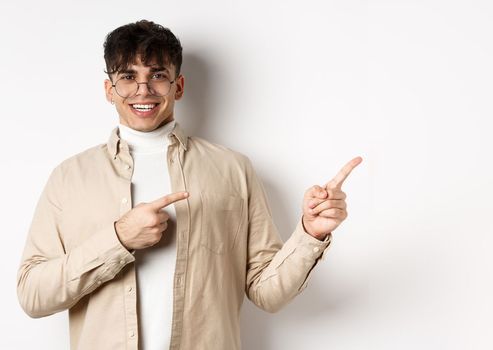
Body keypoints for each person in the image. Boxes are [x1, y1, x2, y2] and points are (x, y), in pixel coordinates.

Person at [16, 19, 362, 350]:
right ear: (110, 89)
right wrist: (118, 239)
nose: (143, 89)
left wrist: (309, 234)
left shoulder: (232, 169)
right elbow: (33, 295)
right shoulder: (69, 177)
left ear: (178, 86)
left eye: (158, 75)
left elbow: (266, 294)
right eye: (127, 77)